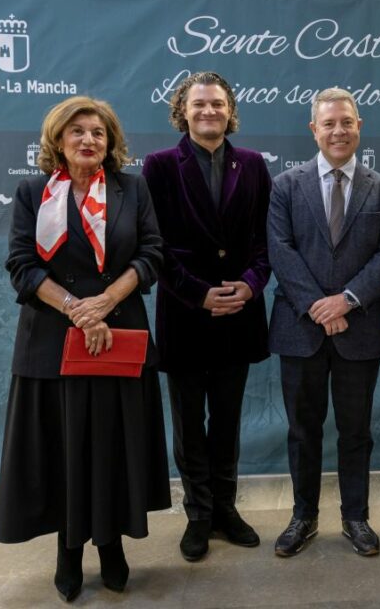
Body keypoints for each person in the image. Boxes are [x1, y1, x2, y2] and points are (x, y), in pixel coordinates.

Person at [0, 96, 171, 602]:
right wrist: (77, 309)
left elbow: (151, 253)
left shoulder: (132, 190)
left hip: (118, 337)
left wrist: (104, 303)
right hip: (52, 344)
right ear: (58, 141)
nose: (89, 140)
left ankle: (112, 545)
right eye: (78, 132)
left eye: (98, 132)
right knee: (63, 451)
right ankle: (68, 552)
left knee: (114, 446)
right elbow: (23, 265)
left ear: (111, 142)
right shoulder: (33, 192)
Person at [142, 72, 272, 562]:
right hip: (186, 315)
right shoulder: (158, 167)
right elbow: (154, 245)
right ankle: (197, 514)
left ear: (230, 109)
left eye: (217, 103)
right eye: (199, 104)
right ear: (183, 109)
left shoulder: (255, 165)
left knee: (228, 420)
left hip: (239, 312)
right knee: (189, 423)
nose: (208, 111)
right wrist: (199, 295)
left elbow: (266, 239)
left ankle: (225, 508)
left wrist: (252, 283)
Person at [267, 88, 380, 558]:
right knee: (303, 430)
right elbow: (280, 250)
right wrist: (318, 306)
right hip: (299, 328)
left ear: (359, 125)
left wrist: (345, 301)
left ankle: (356, 517)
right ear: (314, 130)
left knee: (356, 430)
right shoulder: (285, 184)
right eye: (329, 124)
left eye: (346, 122)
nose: (338, 131)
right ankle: (303, 517)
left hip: (358, 328)